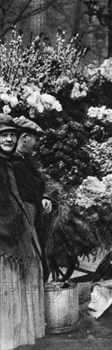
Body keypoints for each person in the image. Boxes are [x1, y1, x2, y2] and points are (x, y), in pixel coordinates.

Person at [0, 114, 45, 349]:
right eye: (4, 135)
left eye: (11, 135)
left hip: (20, 227)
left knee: (18, 284)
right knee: (8, 286)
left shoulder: (11, 162)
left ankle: (15, 338)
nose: (8, 139)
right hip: (5, 236)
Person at [13, 116, 52, 280]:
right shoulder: (14, 162)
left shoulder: (26, 159)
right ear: (24, 138)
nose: (36, 143)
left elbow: (37, 185)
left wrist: (44, 197)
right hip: (24, 222)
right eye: (35, 138)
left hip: (34, 216)